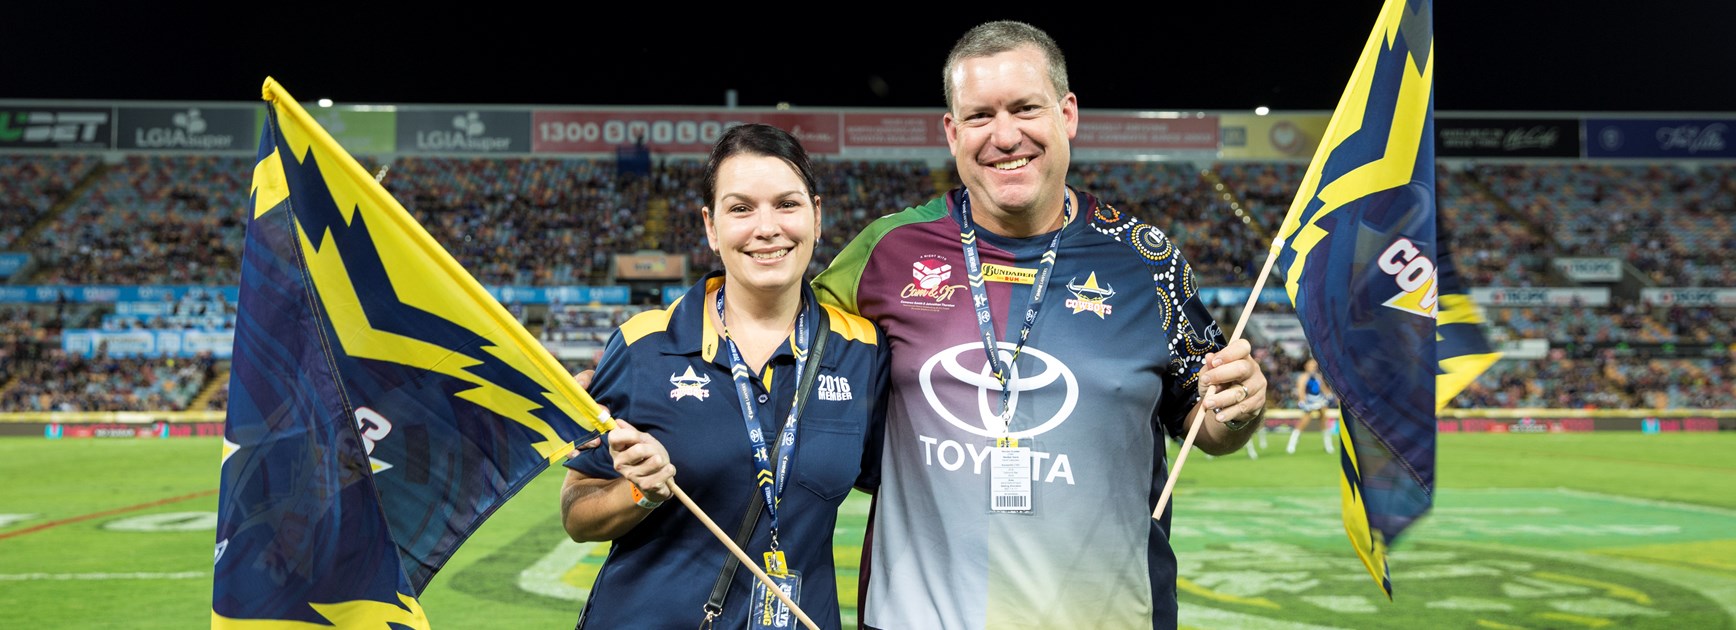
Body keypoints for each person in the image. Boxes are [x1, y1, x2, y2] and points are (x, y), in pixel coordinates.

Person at [812, 20, 1269, 629]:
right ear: (952, 131)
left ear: (1067, 114)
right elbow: (782, 350)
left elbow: (1207, 425)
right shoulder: (886, 251)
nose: (1005, 136)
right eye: (980, 116)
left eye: (1026, 108)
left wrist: (1242, 407)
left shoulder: (1147, 259)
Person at [560, 123, 888, 629]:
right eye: (741, 209)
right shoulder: (644, 345)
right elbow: (577, 511)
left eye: (787, 204)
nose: (767, 227)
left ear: (817, 216)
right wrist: (640, 492)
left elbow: (906, 482)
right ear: (711, 227)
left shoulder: (862, 352)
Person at [1288, 357, 1336, 454]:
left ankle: (1328, 445)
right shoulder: (1303, 377)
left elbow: (1323, 388)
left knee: (1324, 420)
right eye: (1311, 365)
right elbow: (1301, 390)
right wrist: (1302, 401)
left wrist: (1329, 395)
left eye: (1314, 365)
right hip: (1309, 401)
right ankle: (1292, 444)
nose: (1313, 367)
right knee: (1304, 422)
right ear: (1306, 366)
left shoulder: (1318, 376)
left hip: (1319, 400)